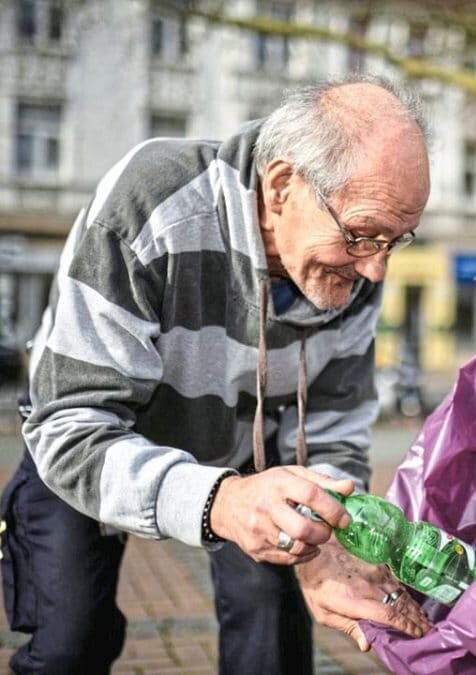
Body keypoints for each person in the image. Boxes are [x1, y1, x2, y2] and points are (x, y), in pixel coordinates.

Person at [0, 74, 436, 674]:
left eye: (396, 240)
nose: (377, 269)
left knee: (274, 638)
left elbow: (335, 426)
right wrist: (221, 501)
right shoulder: (152, 199)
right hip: (90, 438)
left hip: (240, 452)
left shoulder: (352, 267)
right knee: (72, 642)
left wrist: (331, 539)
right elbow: (70, 426)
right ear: (282, 186)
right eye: (363, 236)